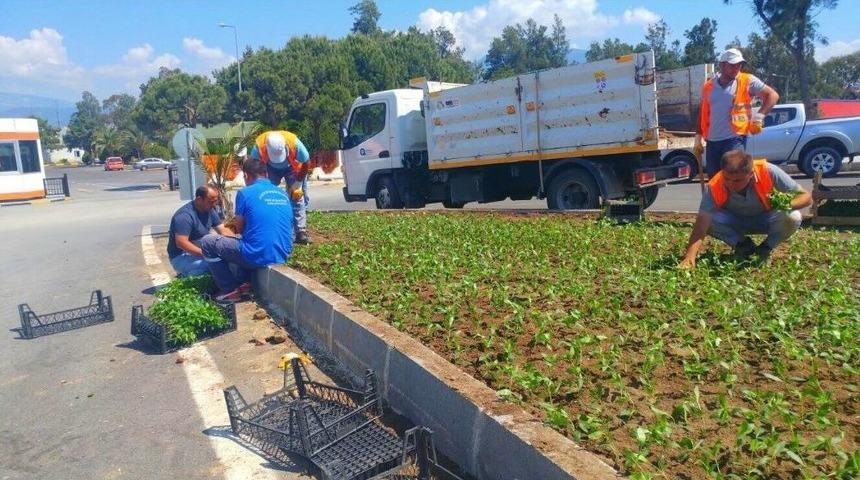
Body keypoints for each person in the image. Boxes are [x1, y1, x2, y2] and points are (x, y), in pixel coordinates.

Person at [679, 150, 812, 268]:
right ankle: (743, 245)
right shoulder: (714, 185)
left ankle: (766, 248)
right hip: (735, 222)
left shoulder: (769, 171)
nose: (731, 184)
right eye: (727, 179)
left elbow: (806, 197)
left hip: (766, 219)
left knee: (793, 216)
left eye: (737, 180)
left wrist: (786, 204)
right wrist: (689, 258)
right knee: (708, 220)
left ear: (751, 174)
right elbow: (702, 224)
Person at [200, 158, 294, 302]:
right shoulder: (282, 193)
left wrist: (230, 228)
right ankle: (245, 283)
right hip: (282, 253)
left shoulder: (245, 193)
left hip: (258, 254)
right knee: (247, 239)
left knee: (208, 242)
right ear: (266, 174)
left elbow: (239, 228)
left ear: (246, 176)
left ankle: (230, 290)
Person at [695, 48, 780, 177]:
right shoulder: (708, 86)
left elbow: (772, 95)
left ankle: (737, 198)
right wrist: (698, 137)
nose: (737, 68)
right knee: (715, 179)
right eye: (733, 65)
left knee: (734, 173)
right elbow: (703, 112)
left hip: (735, 138)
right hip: (712, 141)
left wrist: (759, 116)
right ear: (722, 65)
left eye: (739, 65)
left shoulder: (748, 80)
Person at [248, 130, 312, 244]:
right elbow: (253, 167)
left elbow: (307, 163)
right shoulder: (259, 146)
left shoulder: (294, 143)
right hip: (269, 169)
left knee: (297, 196)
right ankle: (269, 228)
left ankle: (300, 232)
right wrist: (257, 185)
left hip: (292, 167)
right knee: (267, 195)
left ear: (285, 147)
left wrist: (298, 182)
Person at [167, 184, 233, 277]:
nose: (214, 205)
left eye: (215, 201)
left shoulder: (209, 209)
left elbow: (223, 230)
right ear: (199, 199)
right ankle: (186, 276)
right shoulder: (185, 216)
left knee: (229, 260)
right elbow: (181, 243)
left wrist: (237, 244)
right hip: (181, 256)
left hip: (200, 251)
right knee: (217, 265)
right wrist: (207, 255)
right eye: (211, 202)